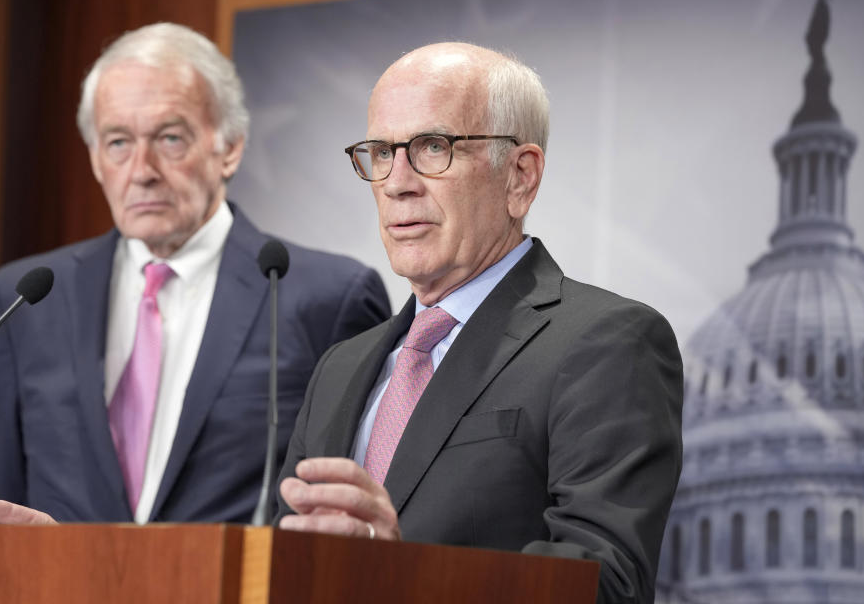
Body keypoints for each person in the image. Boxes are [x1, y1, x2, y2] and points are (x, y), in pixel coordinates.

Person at [275, 42, 683, 603]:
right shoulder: (340, 368)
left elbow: (605, 584)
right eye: (380, 152)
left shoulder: (607, 343)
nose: (396, 182)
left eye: (432, 147)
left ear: (520, 176)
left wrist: (404, 575)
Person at [0, 23, 390, 524]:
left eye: (169, 138)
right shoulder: (23, 301)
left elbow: (353, 516)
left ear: (229, 147)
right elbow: (5, 508)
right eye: (118, 141)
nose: (141, 169)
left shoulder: (325, 298)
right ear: (96, 158)